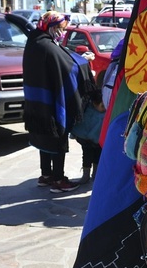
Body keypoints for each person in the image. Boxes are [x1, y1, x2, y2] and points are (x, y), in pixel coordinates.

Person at [23, 11, 95, 193]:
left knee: (43, 137)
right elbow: (68, 67)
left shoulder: (35, 42)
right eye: (61, 29)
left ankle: (46, 175)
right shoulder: (47, 46)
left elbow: (62, 58)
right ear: (53, 27)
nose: (62, 33)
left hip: (36, 102)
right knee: (57, 138)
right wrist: (83, 63)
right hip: (51, 103)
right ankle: (58, 179)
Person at [69, 88, 106, 184]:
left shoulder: (105, 114)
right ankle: (86, 175)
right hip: (86, 140)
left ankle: (95, 174)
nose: (104, 108)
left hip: (98, 140)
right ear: (94, 103)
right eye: (102, 106)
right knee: (87, 156)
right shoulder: (88, 111)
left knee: (98, 156)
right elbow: (81, 125)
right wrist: (75, 134)